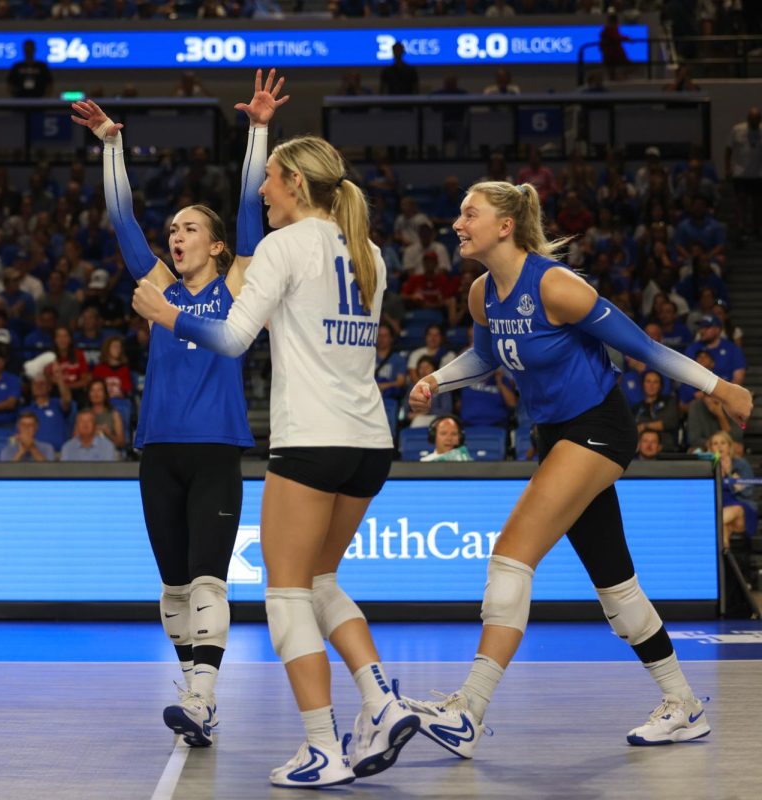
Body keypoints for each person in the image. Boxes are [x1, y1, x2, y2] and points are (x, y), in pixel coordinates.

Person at [403, 180, 751, 758]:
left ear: (506, 225)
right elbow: (488, 358)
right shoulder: (481, 293)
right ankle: (683, 705)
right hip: (556, 435)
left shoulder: (557, 286)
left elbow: (645, 348)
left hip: (598, 428)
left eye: (471, 214)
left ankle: (468, 709)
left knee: (512, 554)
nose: (458, 224)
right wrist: (436, 379)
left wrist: (722, 389)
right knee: (615, 585)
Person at [132, 134, 420, 788]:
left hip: (311, 440)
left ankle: (322, 744)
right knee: (320, 581)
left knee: (287, 594)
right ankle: (381, 699)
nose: (261, 191)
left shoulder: (283, 247)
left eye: (267, 179)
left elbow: (232, 339)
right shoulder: (367, 249)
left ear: (292, 180)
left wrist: (165, 313)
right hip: (371, 441)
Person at [72, 69, 280, 751]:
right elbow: (125, 222)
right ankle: (196, 693)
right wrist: (109, 142)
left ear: (217, 246)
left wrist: (258, 129)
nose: (177, 236)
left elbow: (250, 207)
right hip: (157, 450)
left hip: (216, 448)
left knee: (207, 579)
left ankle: (203, 695)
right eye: (175, 230)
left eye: (191, 229)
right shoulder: (159, 287)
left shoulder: (237, 284)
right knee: (170, 590)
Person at [708, 431, 757, 547]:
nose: (719, 446)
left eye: (723, 443)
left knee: (735, 510)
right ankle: (725, 563)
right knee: (723, 531)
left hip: (739, 506)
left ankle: (707, 525)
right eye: (715, 444)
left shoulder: (741, 464)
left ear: (729, 447)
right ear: (710, 448)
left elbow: (748, 492)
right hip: (718, 506)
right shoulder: (707, 465)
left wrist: (729, 472)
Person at [724, 107, 762, 241]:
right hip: (740, 173)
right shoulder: (737, 130)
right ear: (748, 119)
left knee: (757, 203)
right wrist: (728, 168)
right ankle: (741, 228)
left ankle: (756, 228)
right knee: (741, 201)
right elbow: (728, 150)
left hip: (758, 173)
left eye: (757, 120)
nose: (755, 123)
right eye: (752, 120)